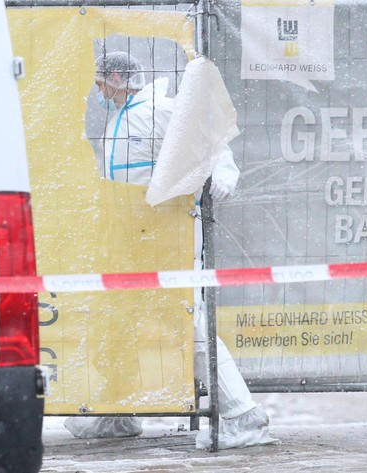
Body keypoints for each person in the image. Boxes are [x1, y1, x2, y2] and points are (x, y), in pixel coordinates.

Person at [64, 51, 273, 449]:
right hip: (132, 236)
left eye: (99, 79)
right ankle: (115, 412)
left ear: (116, 76)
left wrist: (224, 172)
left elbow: (209, 137)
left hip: (165, 235)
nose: (96, 87)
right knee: (118, 318)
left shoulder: (158, 108)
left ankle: (243, 414)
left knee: (188, 319)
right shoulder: (123, 115)